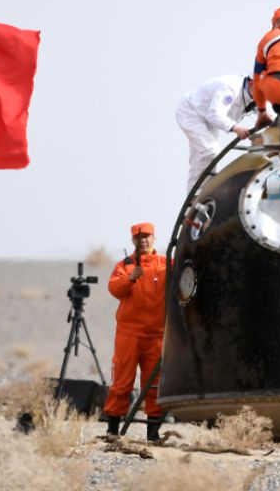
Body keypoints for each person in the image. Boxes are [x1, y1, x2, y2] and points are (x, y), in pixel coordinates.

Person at [105, 222, 167, 440]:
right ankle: (112, 429)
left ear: (154, 238)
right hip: (129, 334)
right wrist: (130, 278)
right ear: (132, 241)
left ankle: (153, 433)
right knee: (122, 381)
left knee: (155, 384)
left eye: (147, 236)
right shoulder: (125, 265)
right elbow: (114, 289)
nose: (142, 240)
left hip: (157, 335)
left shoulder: (166, 264)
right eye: (138, 237)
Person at [175, 74, 255, 191]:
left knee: (201, 156)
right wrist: (235, 128)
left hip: (206, 117)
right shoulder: (229, 89)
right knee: (210, 151)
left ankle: (200, 190)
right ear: (252, 83)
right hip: (191, 112)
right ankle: (197, 194)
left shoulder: (255, 94)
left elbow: (267, 114)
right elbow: (214, 115)